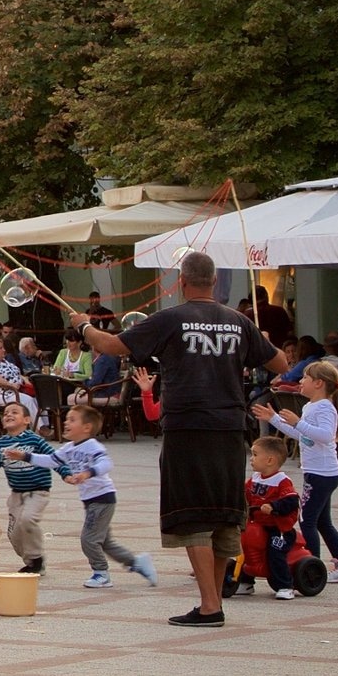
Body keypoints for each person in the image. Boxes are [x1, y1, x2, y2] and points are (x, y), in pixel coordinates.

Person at [83, 249, 284, 627]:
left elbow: (110, 345)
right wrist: (258, 340)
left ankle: (210, 605)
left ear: (183, 281)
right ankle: (214, 599)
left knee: (192, 514)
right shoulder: (238, 321)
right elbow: (280, 364)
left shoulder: (172, 318)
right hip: (230, 427)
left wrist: (83, 326)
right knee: (223, 514)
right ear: (214, 280)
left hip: (188, 427)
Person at [12, 402, 154, 590]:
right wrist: (26, 457)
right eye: (66, 419)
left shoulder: (92, 446)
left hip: (103, 498)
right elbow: (52, 461)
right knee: (105, 542)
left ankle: (101, 573)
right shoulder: (69, 448)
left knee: (89, 539)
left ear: (86, 428)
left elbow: (106, 463)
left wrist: (88, 473)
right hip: (92, 500)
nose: (66, 423)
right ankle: (137, 563)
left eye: (72, 420)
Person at [255, 359, 338, 582]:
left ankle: (310, 566)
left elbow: (325, 435)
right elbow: (303, 436)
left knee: (307, 520)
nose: (301, 381)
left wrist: (299, 422)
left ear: (319, 383)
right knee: (322, 521)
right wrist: (274, 419)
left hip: (322, 473)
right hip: (318, 472)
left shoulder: (325, 407)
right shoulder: (311, 406)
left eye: (305, 378)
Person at [0, 401, 53, 576]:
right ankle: (31, 561)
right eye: (5, 413)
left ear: (27, 420)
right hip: (16, 494)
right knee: (14, 534)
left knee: (27, 520)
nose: (8, 415)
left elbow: (54, 458)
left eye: (14, 412)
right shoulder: (1, 444)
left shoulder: (35, 439)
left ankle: (36, 558)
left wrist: (67, 473)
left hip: (38, 491)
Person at [234, 436, 303, 599]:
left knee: (275, 552)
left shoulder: (282, 481)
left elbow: (292, 500)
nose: (251, 458)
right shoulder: (255, 479)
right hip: (256, 525)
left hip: (278, 529)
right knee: (244, 546)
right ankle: (245, 581)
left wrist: (274, 507)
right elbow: (244, 493)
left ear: (270, 460)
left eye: (255, 454)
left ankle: (285, 585)